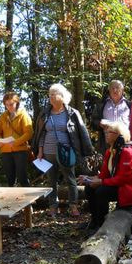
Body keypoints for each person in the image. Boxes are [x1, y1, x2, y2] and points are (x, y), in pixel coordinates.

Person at [32, 84, 93, 217]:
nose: (51, 96)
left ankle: (73, 206)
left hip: (66, 153)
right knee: (51, 181)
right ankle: (53, 206)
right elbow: (41, 134)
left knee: (70, 179)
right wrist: (40, 150)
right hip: (48, 152)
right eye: (50, 94)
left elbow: (81, 133)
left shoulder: (71, 113)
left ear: (62, 96)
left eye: (54, 93)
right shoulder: (45, 113)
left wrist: (84, 151)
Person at [78, 122, 132, 231]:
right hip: (117, 184)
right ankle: (95, 221)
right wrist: (89, 179)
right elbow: (104, 175)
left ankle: (101, 224)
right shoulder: (110, 151)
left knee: (101, 191)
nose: (106, 134)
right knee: (89, 188)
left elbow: (123, 179)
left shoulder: (127, 152)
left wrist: (101, 182)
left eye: (109, 132)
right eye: (106, 132)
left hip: (128, 188)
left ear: (119, 135)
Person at [0, 91, 34, 187]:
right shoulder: (2, 117)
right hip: (6, 150)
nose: (9, 106)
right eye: (6, 104)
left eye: (11, 104)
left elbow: (29, 133)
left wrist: (16, 142)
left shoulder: (23, 115)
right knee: (10, 178)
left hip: (20, 150)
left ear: (17, 103)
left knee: (22, 177)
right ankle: (11, 201)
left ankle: (29, 201)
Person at [90, 80, 131, 155]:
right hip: (106, 144)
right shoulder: (101, 105)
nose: (115, 90)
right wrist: (99, 124)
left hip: (125, 143)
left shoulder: (129, 105)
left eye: (117, 87)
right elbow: (93, 121)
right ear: (109, 90)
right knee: (106, 165)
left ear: (122, 90)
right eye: (112, 88)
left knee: (123, 166)